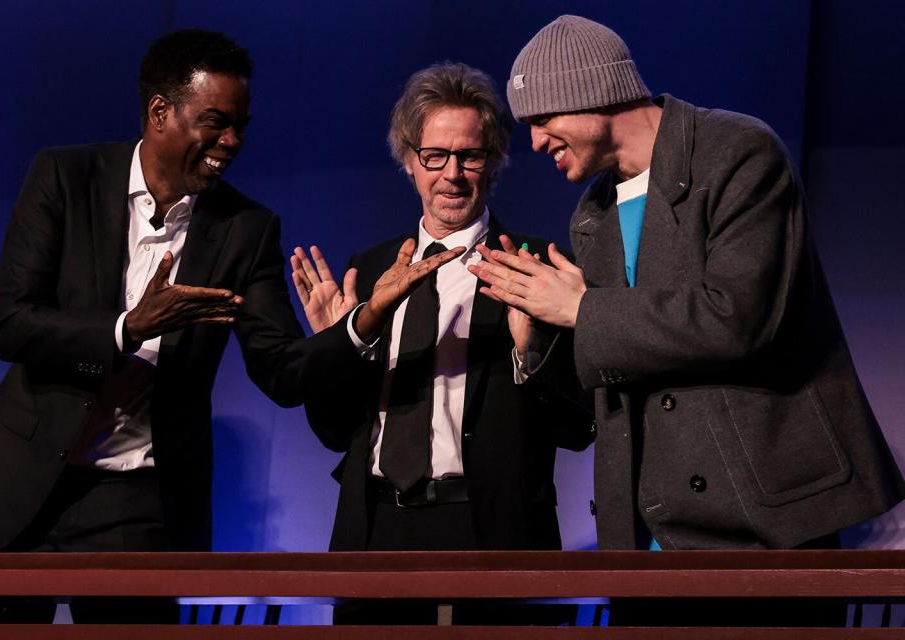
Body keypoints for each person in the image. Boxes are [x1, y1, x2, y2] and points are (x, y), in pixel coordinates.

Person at [470, 15, 905, 626]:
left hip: (760, 529)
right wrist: (537, 341)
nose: (536, 142)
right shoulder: (591, 216)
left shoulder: (737, 153)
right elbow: (615, 389)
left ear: (590, 93)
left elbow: (739, 317)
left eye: (542, 120)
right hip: (646, 543)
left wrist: (582, 309)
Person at [0, 29, 311, 623]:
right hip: (22, 482)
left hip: (138, 500)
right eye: (215, 121)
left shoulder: (246, 229)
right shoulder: (65, 178)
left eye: (240, 124)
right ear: (159, 112)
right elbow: (11, 323)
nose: (231, 141)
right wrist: (126, 328)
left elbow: (282, 370)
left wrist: (359, 328)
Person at [289, 62, 588, 625]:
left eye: (470, 156)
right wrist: (340, 345)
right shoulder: (370, 269)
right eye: (435, 156)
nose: (452, 174)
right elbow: (334, 432)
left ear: (494, 161)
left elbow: (579, 427)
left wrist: (533, 354)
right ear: (409, 160)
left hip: (493, 530)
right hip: (375, 529)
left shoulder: (536, 266)